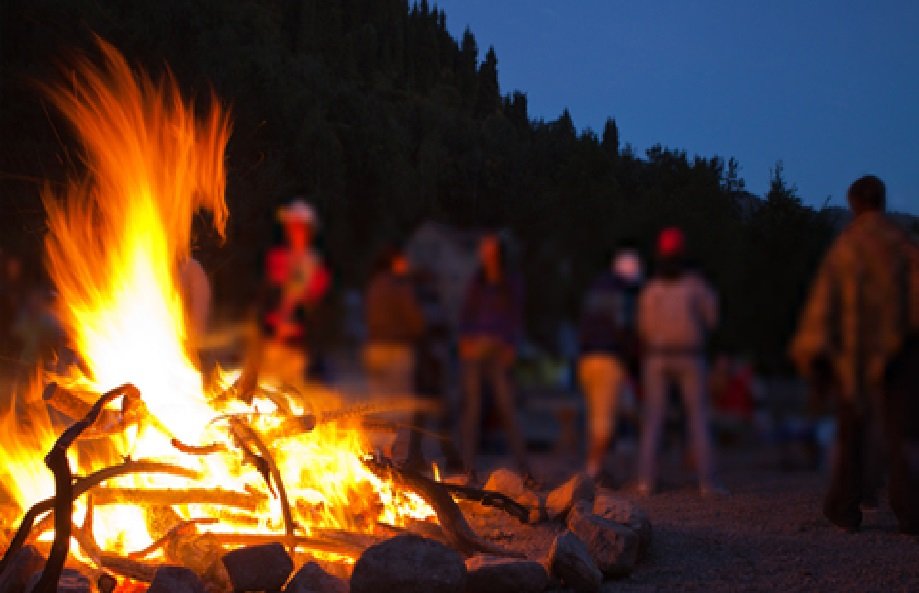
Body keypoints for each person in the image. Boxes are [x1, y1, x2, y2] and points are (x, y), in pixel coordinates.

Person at [791, 175, 918, 534]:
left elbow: (823, 304)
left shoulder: (845, 248)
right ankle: (911, 514)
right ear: (881, 201)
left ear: (853, 204)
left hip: (853, 356)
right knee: (901, 435)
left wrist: (812, 354)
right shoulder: (901, 243)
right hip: (899, 352)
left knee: (852, 435)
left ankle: (844, 510)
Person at [636, 227, 724, 496]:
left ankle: (646, 482)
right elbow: (712, 320)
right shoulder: (696, 285)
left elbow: (644, 327)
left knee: (654, 419)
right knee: (698, 418)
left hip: (658, 356)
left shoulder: (651, 289)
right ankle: (707, 483)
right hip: (690, 354)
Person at [458, 232, 531, 484]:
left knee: (506, 407)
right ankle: (469, 470)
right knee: (472, 409)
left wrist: (510, 343)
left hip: (499, 348)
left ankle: (524, 470)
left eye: (490, 249)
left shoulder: (510, 282)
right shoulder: (477, 282)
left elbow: (515, 315)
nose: (486, 254)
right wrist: (464, 339)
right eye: (483, 249)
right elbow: (466, 313)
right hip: (476, 347)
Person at [577, 248, 643, 484]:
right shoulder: (622, 294)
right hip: (608, 360)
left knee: (607, 414)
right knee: (604, 423)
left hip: (587, 360)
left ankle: (604, 466)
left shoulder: (595, 289)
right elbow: (623, 329)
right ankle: (591, 473)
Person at [259, 199, 331, 386]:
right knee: (268, 389)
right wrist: (274, 325)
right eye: (292, 226)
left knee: (291, 391)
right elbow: (269, 297)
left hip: (298, 342)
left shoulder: (316, 264)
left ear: (309, 231)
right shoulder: (276, 258)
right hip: (273, 339)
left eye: (300, 227)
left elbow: (315, 305)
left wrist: (298, 324)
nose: (295, 231)